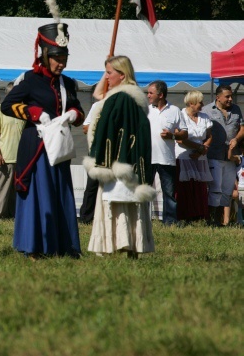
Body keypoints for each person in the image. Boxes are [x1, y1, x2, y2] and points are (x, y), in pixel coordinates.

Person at [0, 22, 84, 258]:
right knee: (39, 196)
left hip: (59, 148)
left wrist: (74, 114)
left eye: (64, 57)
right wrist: (34, 113)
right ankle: (35, 246)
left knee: (61, 194)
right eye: (57, 57)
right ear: (46, 55)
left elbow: (79, 111)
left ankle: (63, 246)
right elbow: (6, 106)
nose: (62, 63)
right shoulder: (30, 79)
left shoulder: (68, 83)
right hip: (36, 148)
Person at [84, 55, 155, 258]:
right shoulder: (129, 97)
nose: (106, 77)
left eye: (109, 73)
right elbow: (100, 95)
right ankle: (131, 244)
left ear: (122, 75)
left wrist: (103, 160)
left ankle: (123, 243)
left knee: (118, 203)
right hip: (128, 161)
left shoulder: (121, 99)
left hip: (117, 160)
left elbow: (109, 130)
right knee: (127, 205)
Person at [146, 80, 188, 225]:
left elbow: (184, 133)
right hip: (147, 158)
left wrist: (173, 136)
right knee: (144, 191)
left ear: (161, 95)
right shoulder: (145, 109)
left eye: (151, 93)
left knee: (169, 193)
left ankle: (170, 222)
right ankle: (143, 220)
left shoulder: (175, 110)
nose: (148, 95)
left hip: (167, 159)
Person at [204, 85, 244, 226]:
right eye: (227, 96)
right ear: (218, 97)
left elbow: (242, 129)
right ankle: (211, 220)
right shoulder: (207, 110)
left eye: (231, 96)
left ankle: (222, 221)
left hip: (231, 157)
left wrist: (236, 139)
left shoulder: (236, 109)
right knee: (215, 188)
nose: (230, 99)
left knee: (227, 190)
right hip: (214, 155)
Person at [0, 80, 25, 220]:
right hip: (5, 156)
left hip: (22, 158)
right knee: (1, 188)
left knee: (16, 190)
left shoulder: (22, 109)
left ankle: (12, 215)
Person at [174, 91, 212, 222]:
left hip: (200, 157)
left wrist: (203, 149)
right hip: (184, 156)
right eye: (200, 102)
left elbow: (209, 136)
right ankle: (184, 215)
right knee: (185, 187)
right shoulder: (180, 115)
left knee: (199, 186)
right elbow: (179, 139)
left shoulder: (204, 117)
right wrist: (198, 148)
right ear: (191, 103)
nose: (202, 105)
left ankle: (199, 215)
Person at [78, 100, 102, 224]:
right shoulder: (96, 106)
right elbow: (85, 128)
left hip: (115, 154)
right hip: (96, 152)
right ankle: (86, 217)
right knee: (92, 186)